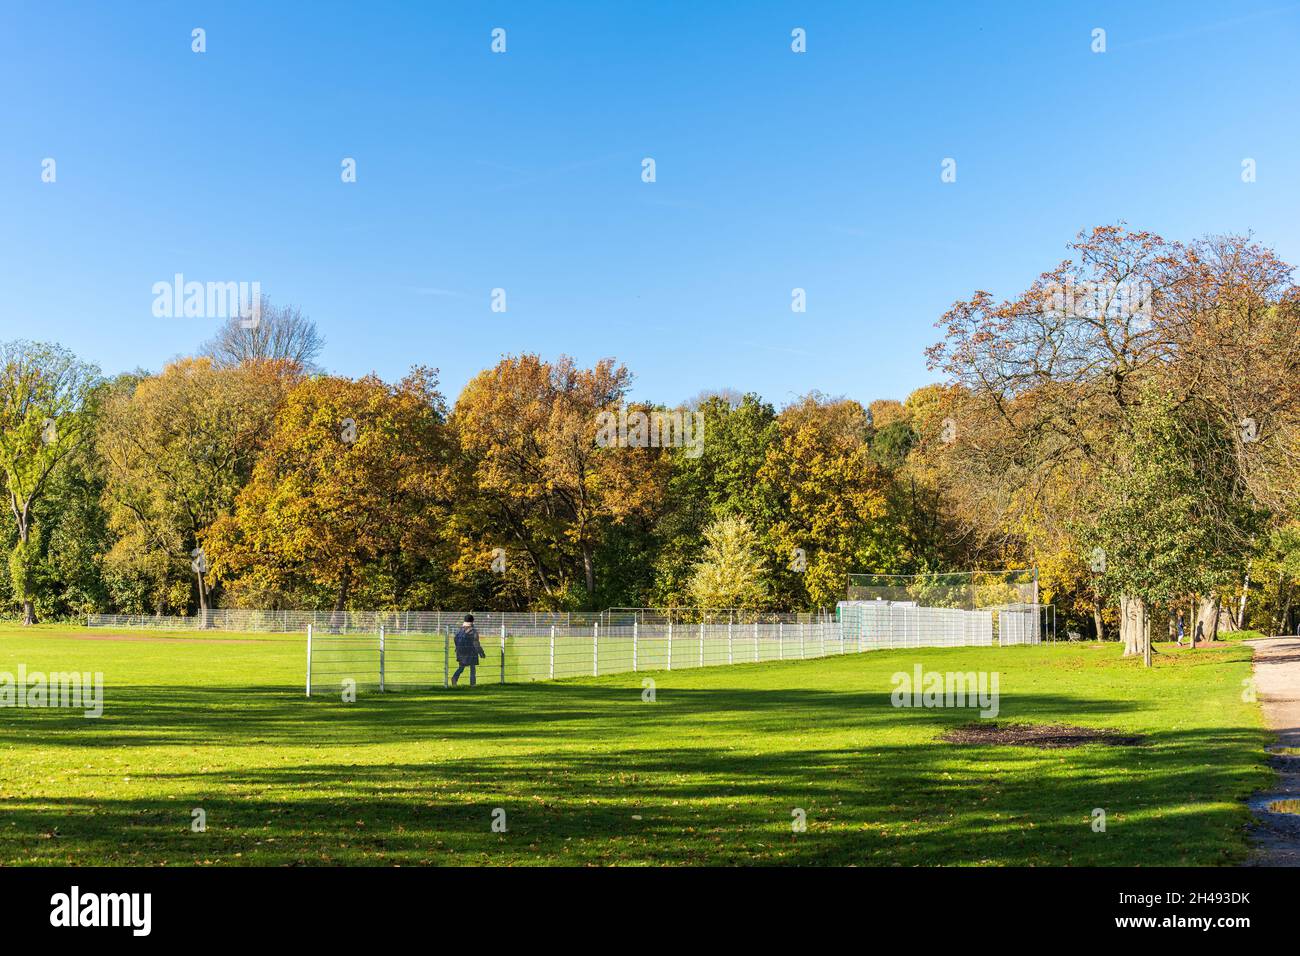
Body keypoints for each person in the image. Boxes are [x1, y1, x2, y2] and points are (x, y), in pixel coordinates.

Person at [452, 614, 485, 686]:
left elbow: (455, 640)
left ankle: (454, 678)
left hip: (460, 652)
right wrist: (481, 652)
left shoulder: (460, 630)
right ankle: (472, 684)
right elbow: (476, 643)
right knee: (472, 669)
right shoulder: (473, 631)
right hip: (471, 652)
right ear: (472, 621)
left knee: (461, 668)